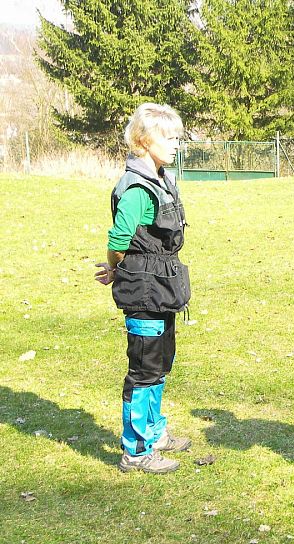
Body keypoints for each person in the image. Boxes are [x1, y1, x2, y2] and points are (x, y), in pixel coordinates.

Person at [95, 103, 192, 474]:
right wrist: (115, 268)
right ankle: (136, 451)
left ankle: (155, 433)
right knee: (143, 371)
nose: (175, 145)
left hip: (162, 288)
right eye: (168, 139)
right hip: (143, 290)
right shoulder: (136, 188)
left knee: (160, 364)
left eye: (177, 139)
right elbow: (119, 238)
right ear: (143, 141)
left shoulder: (161, 178)